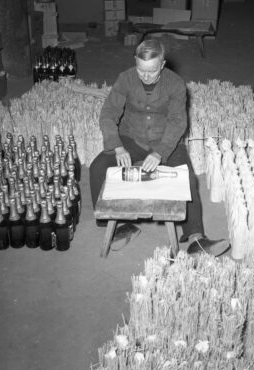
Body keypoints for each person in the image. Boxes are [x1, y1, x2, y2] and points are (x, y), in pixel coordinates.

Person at [89, 39, 230, 257]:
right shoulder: (125, 79)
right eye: (141, 70)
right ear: (135, 61)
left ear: (162, 65)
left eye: (152, 71)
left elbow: (177, 122)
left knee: (188, 179)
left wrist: (161, 151)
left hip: (164, 139)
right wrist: (117, 146)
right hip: (131, 137)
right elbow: (108, 114)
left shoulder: (175, 84)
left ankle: (196, 239)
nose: (145, 76)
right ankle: (117, 227)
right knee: (98, 168)